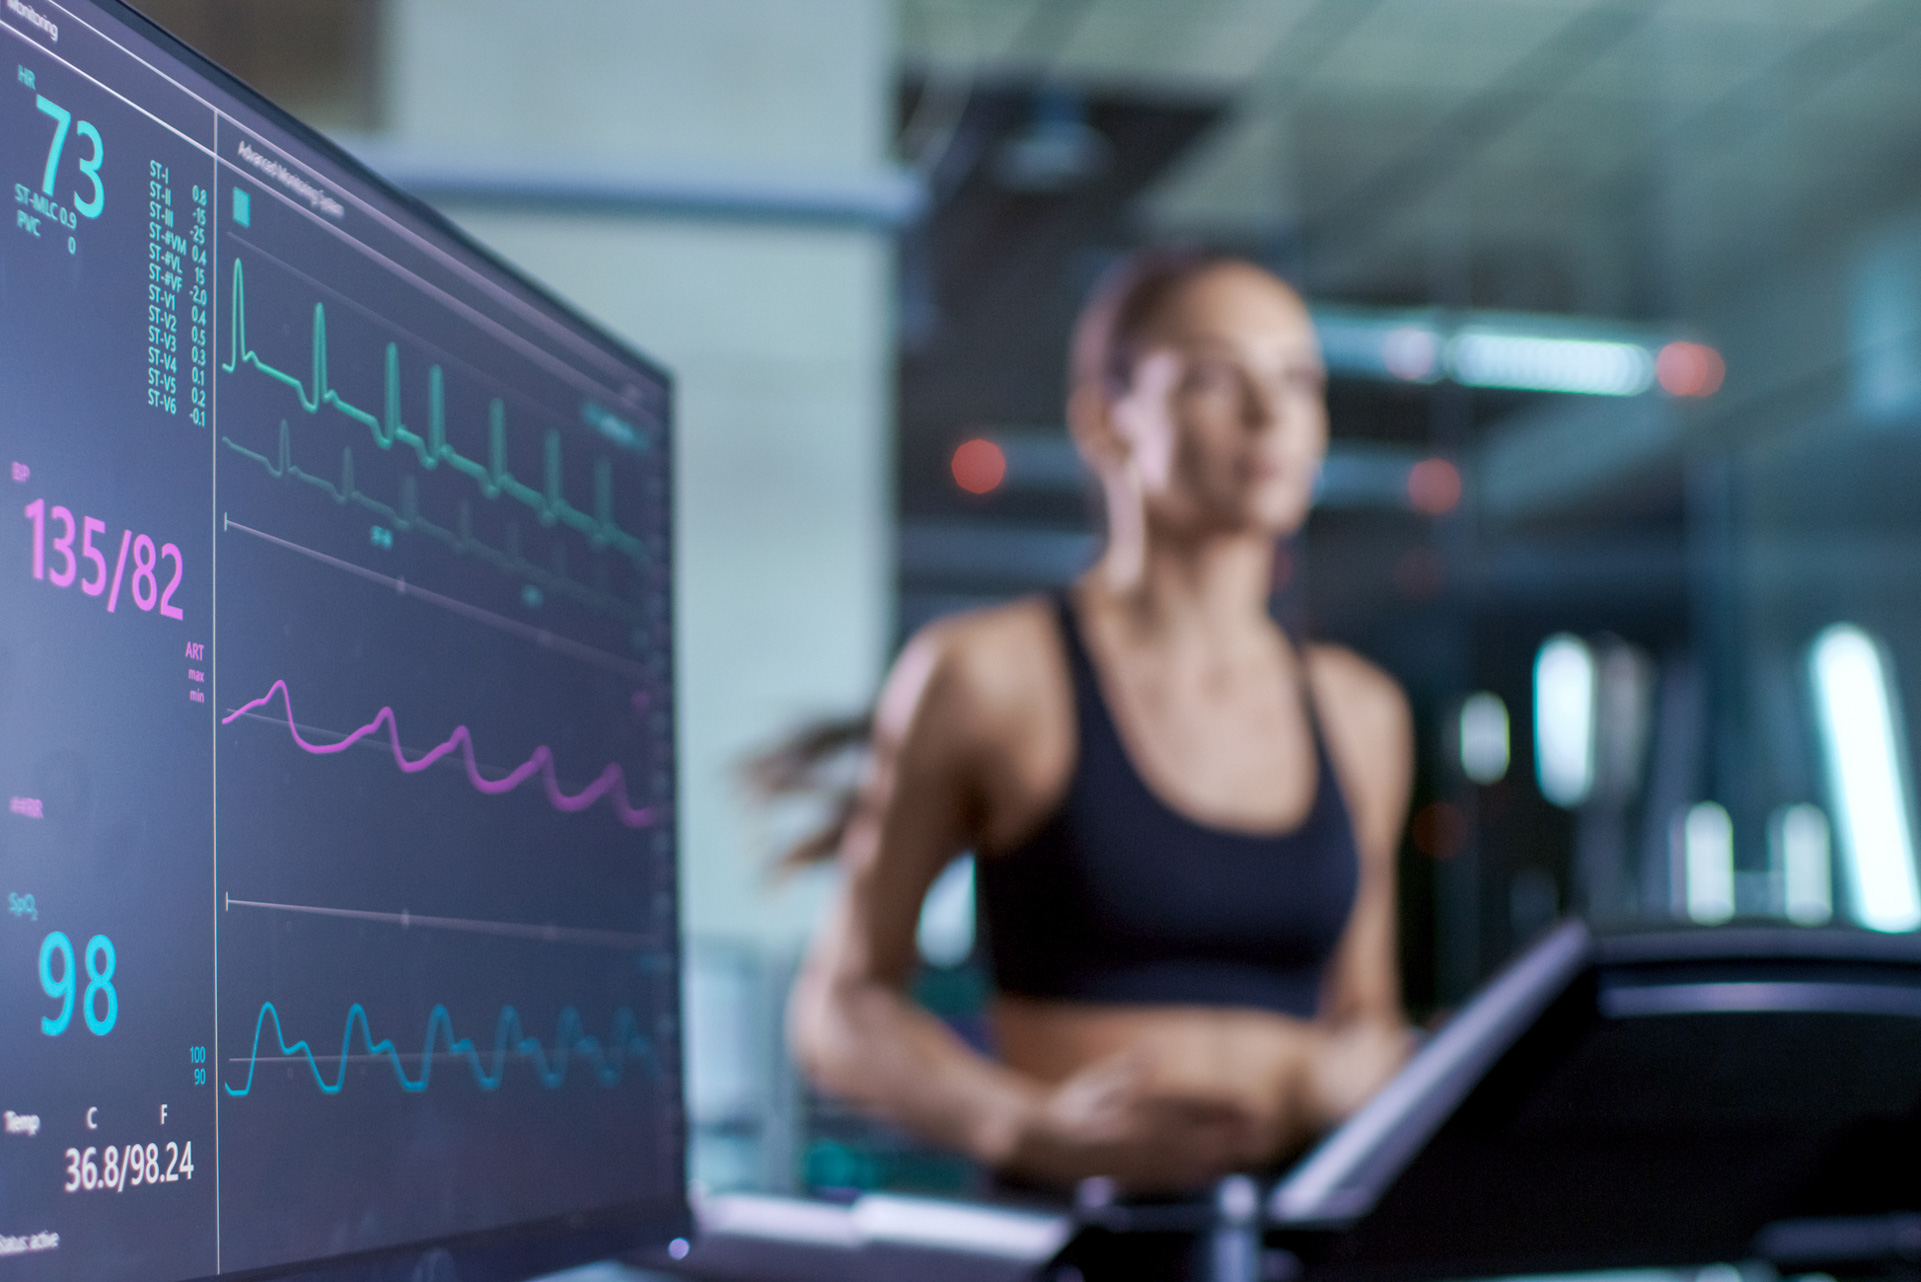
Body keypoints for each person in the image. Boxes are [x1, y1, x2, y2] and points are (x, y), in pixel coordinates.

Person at [784, 250, 1414, 1193]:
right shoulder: (988, 675)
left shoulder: (1362, 711)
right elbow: (839, 1009)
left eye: (1297, 381)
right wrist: (1023, 1126)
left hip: (1292, 1227)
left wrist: (1342, 1078)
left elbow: (1368, 1017)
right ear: (1104, 420)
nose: (1268, 414)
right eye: (1214, 377)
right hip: (1072, 1230)